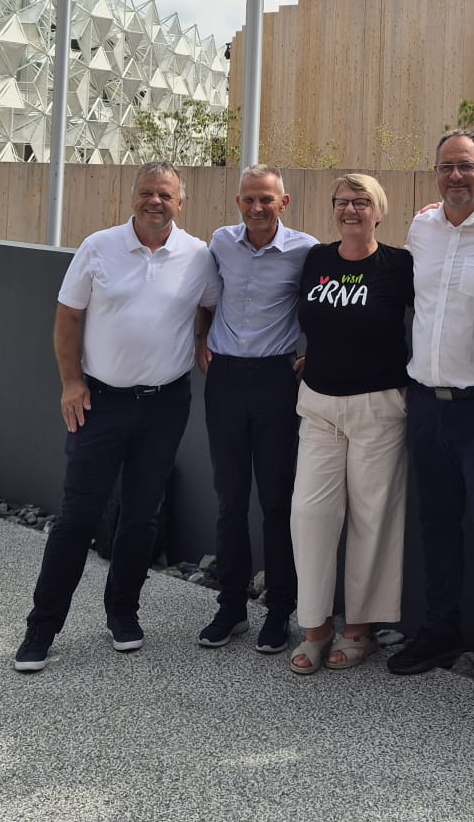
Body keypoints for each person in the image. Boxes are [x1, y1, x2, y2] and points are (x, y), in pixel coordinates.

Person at [13, 162, 215, 673]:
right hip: (100, 402)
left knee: (142, 515)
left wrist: (201, 338)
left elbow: (211, 304)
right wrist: (71, 382)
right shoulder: (98, 246)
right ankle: (42, 628)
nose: (155, 201)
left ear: (180, 203)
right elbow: (68, 316)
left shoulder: (197, 255)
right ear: (132, 198)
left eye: (165, 194)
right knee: (78, 516)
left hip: (166, 404)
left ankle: (123, 613)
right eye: (146, 192)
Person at [387, 129, 474, 704]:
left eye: (466, 165)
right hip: (426, 405)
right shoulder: (421, 227)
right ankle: (440, 634)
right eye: (446, 166)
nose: (456, 176)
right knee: (436, 526)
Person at [285, 173, 413, 674]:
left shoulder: (399, 265)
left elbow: (443, 310)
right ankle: (315, 627)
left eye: (362, 202)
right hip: (319, 405)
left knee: (372, 518)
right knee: (309, 513)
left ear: (379, 212)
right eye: (342, 202)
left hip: (378, 407)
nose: (350, 210)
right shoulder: (316, 259)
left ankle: (360, 629)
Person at [194, 164, 315, 656]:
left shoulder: (305, 250)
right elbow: (205, 299)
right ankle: (231, 607)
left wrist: (314, 354)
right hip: (224, 380)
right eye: (249, 199)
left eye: (266, 199)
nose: (257, 207)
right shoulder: (221, 242)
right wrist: (201, 339)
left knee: (276, 501)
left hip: (275, 381)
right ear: (238, 202)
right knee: (229, 499)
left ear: (283, 203)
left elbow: (326, 306)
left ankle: (280, 610)